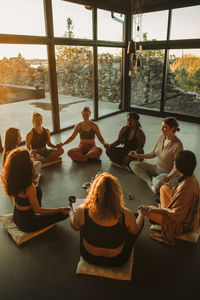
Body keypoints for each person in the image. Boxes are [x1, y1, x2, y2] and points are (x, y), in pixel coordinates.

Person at [68, 172, 144, 267]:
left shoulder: (81, 210)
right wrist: (141, 214)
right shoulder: (126, 213)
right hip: (117, 260)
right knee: (136, 217)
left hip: (89, 257)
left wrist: (70, 212)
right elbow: (135, 231)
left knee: (82, 222)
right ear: (116, 193)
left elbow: (75, 227)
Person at [1, 148, 70, 233]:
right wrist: (59, 209)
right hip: (28, 225)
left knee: (37, 189)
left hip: (17, 217)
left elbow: (15, 200)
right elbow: (37, 210)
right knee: (65, 213)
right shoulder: (30, 188)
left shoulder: (12, 180)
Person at [139, 150, 200, 246]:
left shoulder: (185, 188)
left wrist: (153, 209)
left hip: (181, 224)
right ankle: (164, 217)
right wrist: (168, 178)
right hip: (182, 212)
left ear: (181, 166)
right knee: (164, 188)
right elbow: (180, 200)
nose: (173, 163)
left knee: (147, 212)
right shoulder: (191, 176)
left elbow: (176, 215)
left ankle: (167, 233)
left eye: (175, 162)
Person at [129, 117, 183, 193]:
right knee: (133, 164)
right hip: (156, 168)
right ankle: (150, 183)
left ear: (172, 128)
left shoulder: (178, 145)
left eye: (164, 127)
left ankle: (154, 180)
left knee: (157, 184)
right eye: (162, 126)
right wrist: (137, 155)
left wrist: (168, 177)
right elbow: (153, 153)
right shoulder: (161, 137)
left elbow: (176, 166)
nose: (161, 129)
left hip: (166, 173)